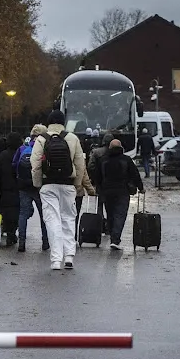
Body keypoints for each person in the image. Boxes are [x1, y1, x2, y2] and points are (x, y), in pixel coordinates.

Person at [31, 110, 85, 270]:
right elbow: (80, 164)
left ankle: (55, 260)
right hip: (68, 184)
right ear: (63, 122)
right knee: (68, 219)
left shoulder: (41, 139)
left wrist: (38, 184)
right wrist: (77, 183)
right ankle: (69, 256)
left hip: (48, 185)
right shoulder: (72, 138)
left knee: (52, 220)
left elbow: (35, 165)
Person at [92, 139, 144, 251]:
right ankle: (115, 239)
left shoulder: (103, 160)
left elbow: (97, 177)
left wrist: (98, 189)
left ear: (109, 148)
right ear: (121, 148)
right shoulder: (126, 160)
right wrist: (141, 188)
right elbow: (135, 174)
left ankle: (113, 237)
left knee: (110, 215)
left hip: (107, 192)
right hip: (123, 192)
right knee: (120, 215)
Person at [12, 124, 49, 252]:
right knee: (43, 214)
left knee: (23, 213)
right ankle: (45, 242)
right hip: (39, 186)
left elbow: (14, 164)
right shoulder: (44, 147)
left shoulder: (23, 148)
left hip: (23, 186)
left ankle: (22, 242)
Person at [0, 132, 23, 246]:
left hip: (5, 188)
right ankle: (13, 231)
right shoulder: (21, 153)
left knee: (5, 210)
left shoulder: (2, 155)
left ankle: (7, 230)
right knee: (17, 211)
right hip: (18, 187)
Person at [87, 132, 115, 233]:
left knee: (99, 204)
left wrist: (94, 177)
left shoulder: (96, 152)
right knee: (111, 206)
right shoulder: (116, 152)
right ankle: (110, 226)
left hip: (100, 182)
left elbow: (90, 166)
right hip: (112, 183)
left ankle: (100, 225)